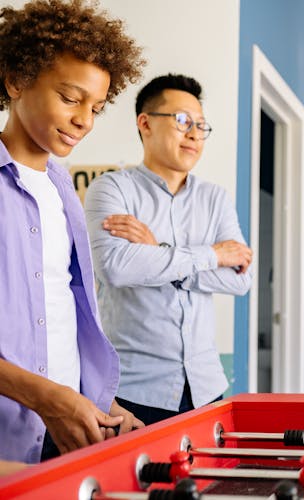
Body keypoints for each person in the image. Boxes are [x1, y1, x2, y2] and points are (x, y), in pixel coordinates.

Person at [0, 0, 145, 464]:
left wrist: (101, 404)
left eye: (97, 107)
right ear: (16, 80)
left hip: (63, 431)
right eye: (70, 98)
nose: (85, 119)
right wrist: (48, 398)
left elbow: (63, 311)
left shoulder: (64, 188)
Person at [84, 74, 253, 426]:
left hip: (206, 387)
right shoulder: (111, 189)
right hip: (133, 392)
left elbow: (240, 280)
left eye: (201, 125)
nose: (194, 134)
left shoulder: (215, 198)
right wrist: (213, 255)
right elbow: (115, 267)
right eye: (182, 121)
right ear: (145, 123)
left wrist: (158, 252)